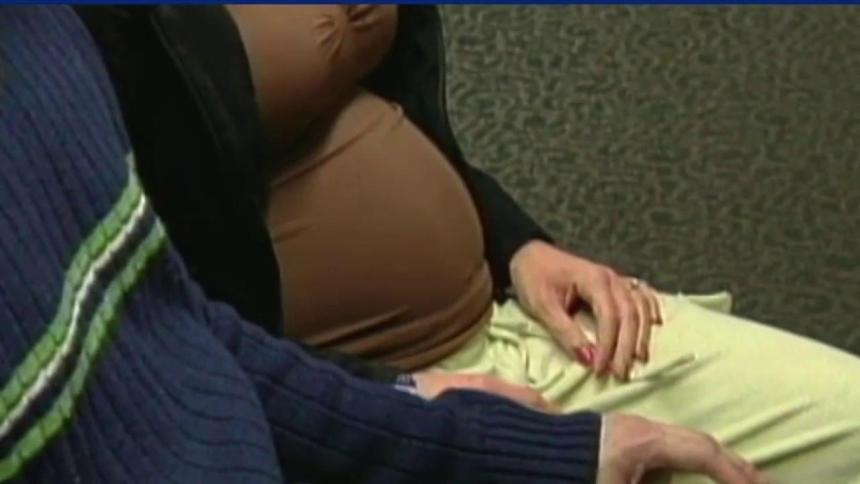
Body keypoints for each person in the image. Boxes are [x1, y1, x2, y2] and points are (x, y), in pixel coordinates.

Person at [73, 5, 860, 483]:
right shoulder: (61, 34)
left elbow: (394, 91)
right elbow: (139, 326)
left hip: (515, 323)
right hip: (347, 417)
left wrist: (515, 244)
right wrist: (399, 403)